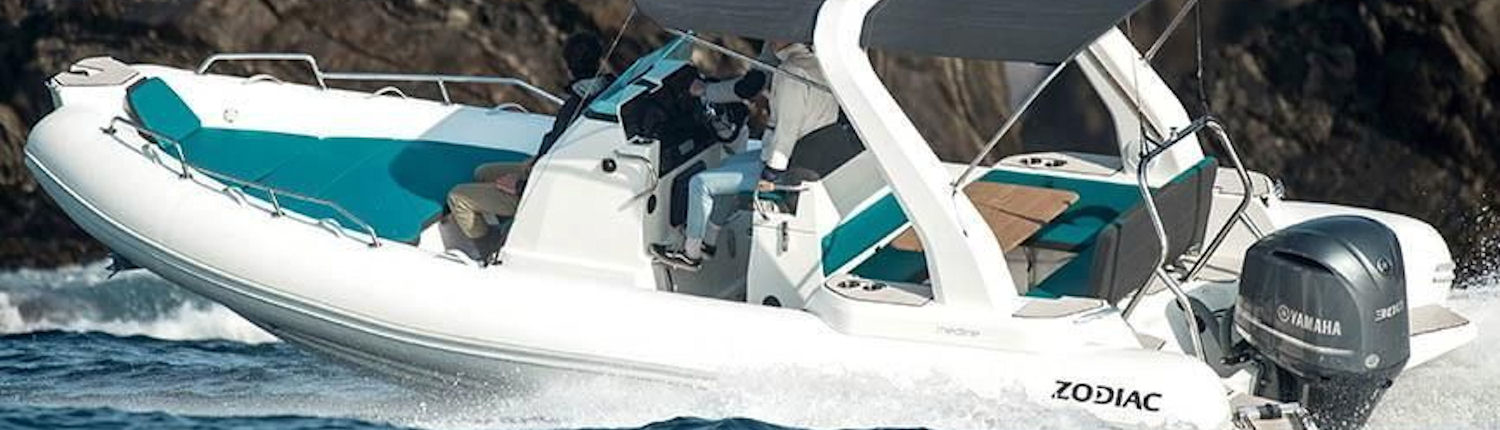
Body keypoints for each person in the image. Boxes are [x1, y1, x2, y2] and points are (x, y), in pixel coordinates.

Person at [653, 42, 840, 270]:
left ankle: (690, 254)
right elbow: (751, 86)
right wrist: (707, 91)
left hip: (787, 163)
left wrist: (772, 173)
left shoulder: (792, 73)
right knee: (726, 164)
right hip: (807, 154)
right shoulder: (817, 62)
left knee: (700, 183)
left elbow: (787, 128)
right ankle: (708, 242)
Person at [447, 33, 613, 256]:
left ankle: (490, 251)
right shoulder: (608, 92)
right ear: (599, 59)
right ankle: (514, 226)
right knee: (483, 172)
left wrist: (520, 185)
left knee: (458, 197)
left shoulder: (575, 107)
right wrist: (532, 165)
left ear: (568, 66)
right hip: (548, 170)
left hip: (544, 187)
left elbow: (561, 172)